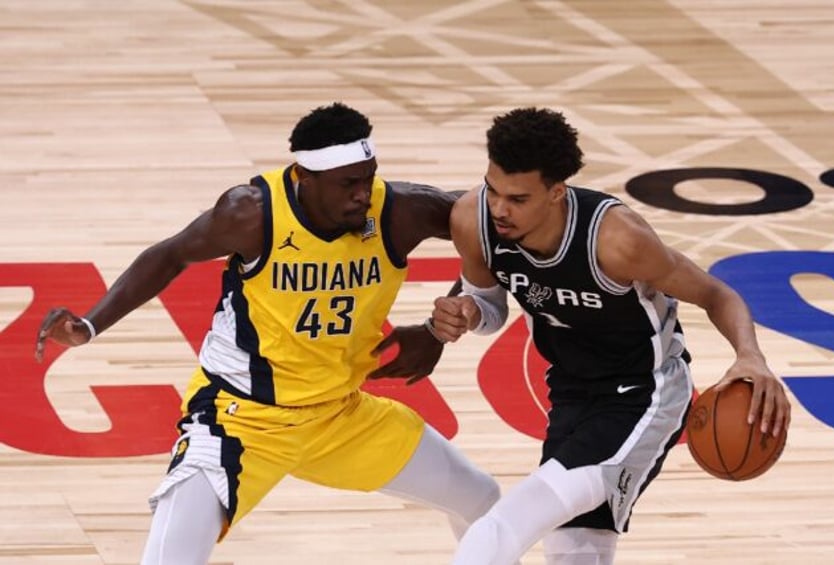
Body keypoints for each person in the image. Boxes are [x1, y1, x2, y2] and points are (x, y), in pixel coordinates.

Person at [34, 102, 501, 564]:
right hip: (238, 420)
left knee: (483, 501)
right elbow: (170, 254)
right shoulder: (251, 214)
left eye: (369, 177)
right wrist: (89, 325)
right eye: (348, 184)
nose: (363, 193)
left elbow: (486, 222)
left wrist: (439, 327)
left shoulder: (398, 211)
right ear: (305, 180)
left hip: (338, 415)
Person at [429, 107, 792, 565]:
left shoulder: (619, 242)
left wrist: (750, 356)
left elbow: (716, 293)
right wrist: (467, 311)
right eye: (493, 189)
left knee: (500, 529)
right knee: (571, 553)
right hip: (569, 391)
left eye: (518, 199)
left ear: (557, 192)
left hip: (644, 397)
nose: (499, 208)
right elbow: (488, 306)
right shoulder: (472, 218)